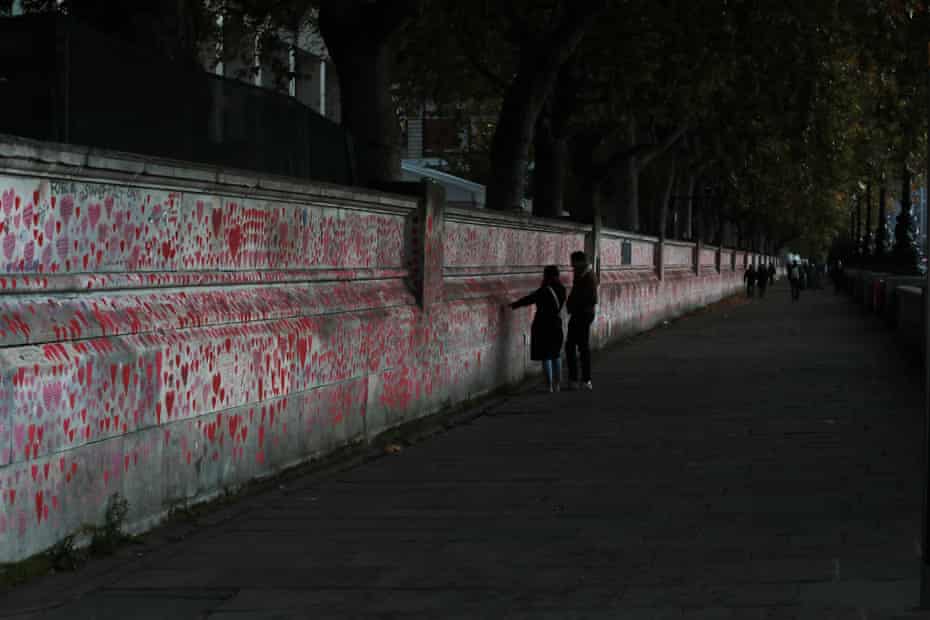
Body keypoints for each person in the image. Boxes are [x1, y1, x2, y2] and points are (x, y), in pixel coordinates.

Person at [509, 266, 567, 393]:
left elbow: (529, 299)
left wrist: (513, 305)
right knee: (556, 354)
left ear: (546, 276)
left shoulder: (544, 290)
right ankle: (558, 384)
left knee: (546, 355)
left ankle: (549, 385)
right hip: (556, 324)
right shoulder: (562, 289)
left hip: (543, 325)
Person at [565, 251, 598, 391]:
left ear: (579, 261)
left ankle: (580, 380)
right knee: (579, 346)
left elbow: (591, 299)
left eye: (573, 262)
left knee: (575, 346)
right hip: (582, 314)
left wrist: (573, 305)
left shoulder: (587, 276)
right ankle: (583, 379)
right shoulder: (583, 274)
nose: (571, 265)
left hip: (582, 315)